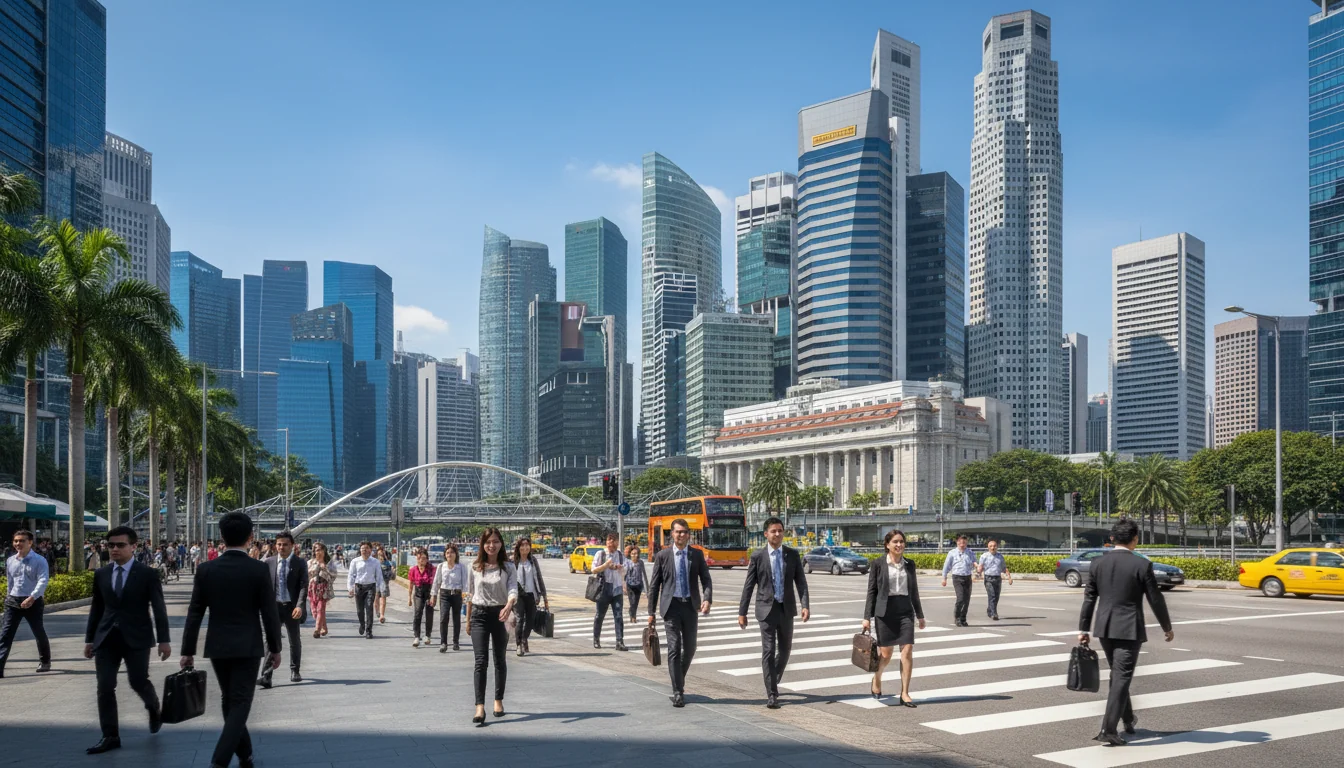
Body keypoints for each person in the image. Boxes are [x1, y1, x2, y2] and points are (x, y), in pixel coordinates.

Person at [180, 511, 282, 768]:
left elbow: (194, 614)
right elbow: (269, 613)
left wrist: (187, 650)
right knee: (240, 702)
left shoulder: (206, 569)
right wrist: (276, 648)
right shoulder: (258, 570)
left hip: (218, 645)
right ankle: (220, 760)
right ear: (251, 537)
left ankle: (245, 754)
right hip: (248, 646)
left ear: (221, 537)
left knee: (229, 699)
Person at [1078, 518, 1174, 746]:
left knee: (1118, 675)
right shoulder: (1141, 565)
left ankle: (1128, 719)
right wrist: (1167, 627)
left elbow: (1090, 598)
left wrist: (1083, 628)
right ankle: (1108, 729)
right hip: (1130, 628)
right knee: (1121, 677)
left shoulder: (1097, 563)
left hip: (1105, 627)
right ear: (1135, 539)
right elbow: (1155, 599)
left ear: (1112, 539)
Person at [83, 525, 171, 754]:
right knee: (104, 687)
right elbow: (97, 608)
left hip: (137, 637)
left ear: (133, 546)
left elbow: (159, 609)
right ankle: (110, 735)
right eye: (110, 545)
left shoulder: (148, 574)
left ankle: (154, 708)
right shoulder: (101, 574)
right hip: (106, 638)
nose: (114, 549)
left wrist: (164, 640)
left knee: (137, 680)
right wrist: (89, 639)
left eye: (120, 545)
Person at [737, 516, 810, 709]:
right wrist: (742, 612)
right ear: (766, 534)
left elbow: (801, 583)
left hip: (786, 610)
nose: (777, 534)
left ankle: (773, 679)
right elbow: (749, 586)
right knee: (768, 651)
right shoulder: (757, 556)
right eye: (773, 531)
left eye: (780, 531)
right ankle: (772, 693)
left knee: (785, 651)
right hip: (765, 610)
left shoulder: (792, 555)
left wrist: (805, 605)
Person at [646, 518, 712, 708]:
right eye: (677, 532)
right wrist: (651, 611)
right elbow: (654, 585)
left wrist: (707, 599)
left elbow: (706, 580)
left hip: (691, 607)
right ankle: (678, 692)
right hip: (671, 607)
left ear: (688, 534)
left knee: (690, 649)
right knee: (674, 648)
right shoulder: (663, 556)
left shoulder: (696, 555)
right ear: (672, 534)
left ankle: (678, 680)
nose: (681, 535)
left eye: (684, 532)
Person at [863, 529, 925, 706]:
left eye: (902, 542)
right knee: (886, 654)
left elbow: (914, 592)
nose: (899, 545)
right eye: (895, 542)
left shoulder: (909, 564)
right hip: (884, 612)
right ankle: (877, 678)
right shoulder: (878, 564)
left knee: (907, 650)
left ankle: (904, 692)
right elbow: (871, 592)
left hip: (905, 611)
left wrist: (920, 615)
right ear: (887, 545)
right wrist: (867, 617)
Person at [466, 528, 517, 726]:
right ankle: (479, 706)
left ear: (501, 544)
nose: (492, 545)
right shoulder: (475, 566)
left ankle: (498, 701)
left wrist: (509, 604)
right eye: (488, 542)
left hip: (500, 614)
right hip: (479, 614)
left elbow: (513, 588)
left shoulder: (508, 567)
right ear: (483, 544)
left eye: (495, 541)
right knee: (480, 661)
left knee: (499, 659)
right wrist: (468, 619)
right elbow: (470, 594)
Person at [258, 531, 308, 688]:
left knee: (294, 640)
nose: (282, 547)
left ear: (292, 545)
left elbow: (303, 586)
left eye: (285, 544)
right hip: (274, 607)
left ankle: (295, 670)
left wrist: (300, 605)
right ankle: (266, 675)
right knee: (270, 640)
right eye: (279, 544)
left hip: (292, 608)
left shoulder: (300, 563)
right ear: (275, 546)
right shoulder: (269, 562)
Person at [0, 529, 51, 678]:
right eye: (16, 541)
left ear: (30, 542)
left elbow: (43, 580)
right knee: (5, 635)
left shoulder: (40, 560)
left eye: (22, 541)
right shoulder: (10, 561)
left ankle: (45, 661)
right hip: (13, 600)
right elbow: (11, 581)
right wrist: (8, 596)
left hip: (33, 601)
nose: (18, 544)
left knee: (38, 631)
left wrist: (33, 597)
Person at [590, 532, 627, 651]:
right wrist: (605, 565)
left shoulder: (620, 555)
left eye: (614, 540)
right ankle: (596, 639)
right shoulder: (600, 554)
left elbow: (625, 571)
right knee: (599, 615)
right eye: (609, 539)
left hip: (617, 589)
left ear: (617, 542)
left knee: (618, 616)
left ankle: (619, 641)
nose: (611, 542)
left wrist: (619, 568)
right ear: (606, 542)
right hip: (603, 589)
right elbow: (593, 570)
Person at [511, 536, 547, 656]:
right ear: (518, 547)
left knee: (531, 620)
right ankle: (519, 644)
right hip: (518, 595)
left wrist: (544, 596)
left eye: (527, 545)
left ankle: (524, 638)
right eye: (522, 545)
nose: (525, 547)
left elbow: (539, 578)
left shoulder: (533, 561)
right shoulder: (513, 561)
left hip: (531, 594)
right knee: (520, 619)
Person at [431, 544, 467, 652]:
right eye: (447, 553)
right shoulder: (441, 566)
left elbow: (465, 584)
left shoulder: (461, 567)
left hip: (457, 594)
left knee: (456, 619)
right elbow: (436, 582)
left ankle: (456, 642)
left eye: (452, 552)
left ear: (456, 554)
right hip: (444, 594)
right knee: (443, 617)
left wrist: (467, 600)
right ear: (445, 555)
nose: (449, 555)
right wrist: (433, 595)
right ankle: (443, 642)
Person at [346, 542, 385, 639]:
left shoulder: (375, 562)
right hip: (359, 587)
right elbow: (351, 575)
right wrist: (350, 588)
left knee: (369, 608)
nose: (364, 550)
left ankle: (369, 631)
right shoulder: (355, 561)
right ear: (360, 550)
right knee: (360, 611)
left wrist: (381, 588)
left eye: (367, 548)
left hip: (370, 587)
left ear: (371, 550)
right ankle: (362, 624)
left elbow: (379, 576)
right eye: (362, 548)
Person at [940, 534, 976, 627]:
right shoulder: (952, 553)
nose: (962, 544)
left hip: (967, 577)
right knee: (960, 598)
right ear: (957, 542)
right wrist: (944, 578)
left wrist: (977, 568)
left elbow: (974, 563)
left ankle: (963, 618)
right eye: (960, 542)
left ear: (966, 542)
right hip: (957, 578)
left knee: (967, 600)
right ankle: (957, 617)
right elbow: (946, 566)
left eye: (964, 542)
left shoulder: (970, 552)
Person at [976, 539, 1012, 621]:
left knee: (996, 597)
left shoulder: (1000, 556)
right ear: (988, 547)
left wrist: (1009, 577)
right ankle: (994, 613)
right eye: (991, 546)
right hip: (988, 578)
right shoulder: (984, 556)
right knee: (992, 595)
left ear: (997, 547)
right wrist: (978, 573)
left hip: (997, 578)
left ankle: (990, 610)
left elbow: (1004, 568)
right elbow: (980, 567)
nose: (993, 548)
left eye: (994, 546)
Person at [407, 549, 436, 648]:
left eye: (423, 558)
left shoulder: (431, 569)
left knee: (429, 614)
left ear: (427, 559)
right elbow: (411, 584)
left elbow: (434, 584)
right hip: (418, 594)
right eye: (419, 558)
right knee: (417, 613)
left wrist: (433, 596)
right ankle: (416, 636)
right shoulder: (413, 570)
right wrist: (409, 598)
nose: (421, 560)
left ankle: (427, 635)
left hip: (429, 593)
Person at [307, 542, 336, 639]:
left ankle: (317, 630)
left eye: (320, 550)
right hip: (312, 589)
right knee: (314, 611)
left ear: (324, 551)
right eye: (316, 550)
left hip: (323, 589)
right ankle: (324, 627)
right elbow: (306, 576)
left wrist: (326, 569)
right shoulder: (310, 562)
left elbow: (334, 576)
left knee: (320, 609)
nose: (318, 552)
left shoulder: (329, 562)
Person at [625, 545, 647, 624]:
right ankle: (633, 616)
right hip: (630, 585)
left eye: (636, 553)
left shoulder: (641, 562)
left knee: (636, 602)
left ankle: (632, 614)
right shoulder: (627, 562)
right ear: (630, 554)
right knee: (632, 602)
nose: (635, 555)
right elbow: (624, 574)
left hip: (638, 585)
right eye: (633, 554)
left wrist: (646, 588)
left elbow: (644, 574)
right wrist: (623, 585)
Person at [375, 545, 395, 624]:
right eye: (379, 554)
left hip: (384, 584)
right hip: (375, 584)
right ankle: (377, 612)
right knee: (376, 600)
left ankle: (382, 615)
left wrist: (393, 571)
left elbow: (392, 576)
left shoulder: (388, 563)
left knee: (383, 600)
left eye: (382, 554)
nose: (381, 556)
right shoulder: (374, 562)